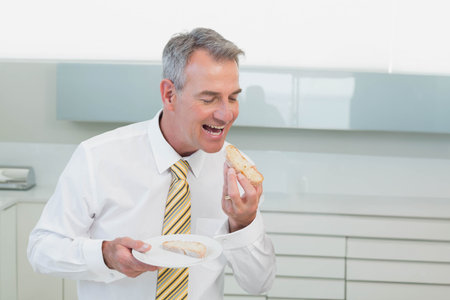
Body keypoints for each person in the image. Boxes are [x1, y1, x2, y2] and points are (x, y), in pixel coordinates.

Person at [27, 28, 276, 300]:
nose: (226, 113)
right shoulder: (97, 157)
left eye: (233, 97)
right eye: (209, 98)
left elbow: (258, 284)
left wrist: (243, 223)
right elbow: (42, 250)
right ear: (169, 94)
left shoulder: (238, 176)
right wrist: (104, 255)